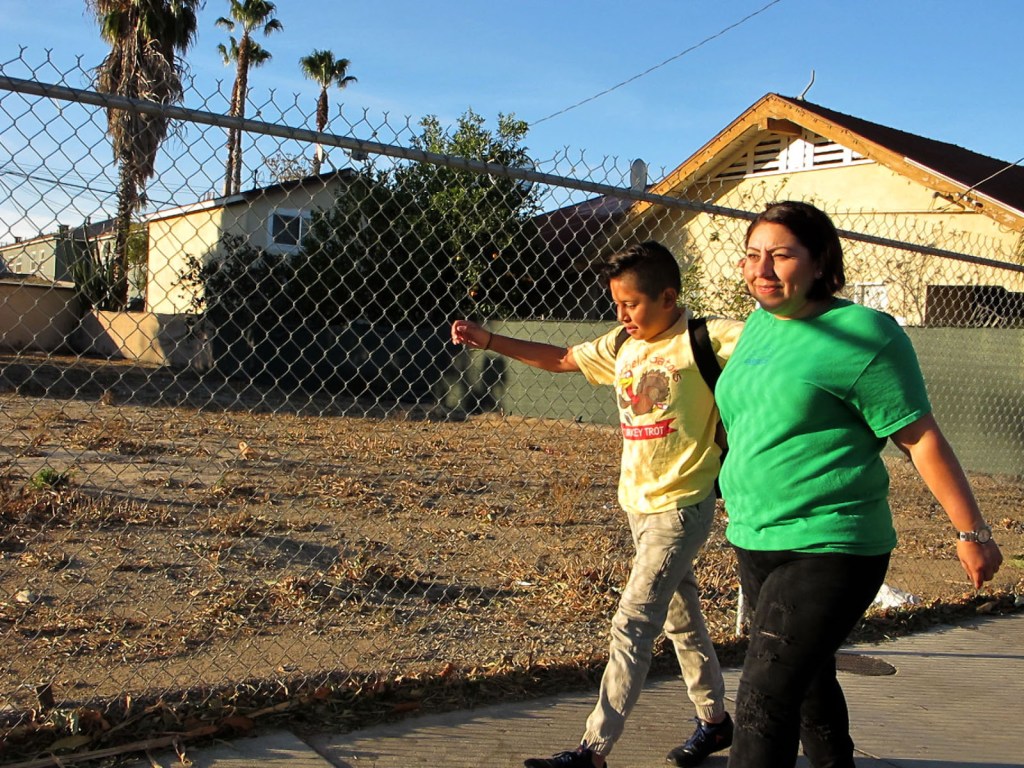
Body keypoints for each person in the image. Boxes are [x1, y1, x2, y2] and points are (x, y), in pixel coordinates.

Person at [715, 200, 1004, 768]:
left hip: (833, 543)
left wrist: (972, 531)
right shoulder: (758, 323)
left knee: (761, 702)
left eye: (781, 256)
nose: (761, 270)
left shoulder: (863, 333)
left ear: (821, 261)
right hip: (756, 535)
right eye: (752, 256)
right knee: (809, 688)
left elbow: (919, 438)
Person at [451, 241, 743, 768]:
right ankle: (715, 722)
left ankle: (593, 750)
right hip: (638, 506)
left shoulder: (706, 338)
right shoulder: (622, 344)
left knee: (632, 622)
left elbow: (779, 343)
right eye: (615, 303)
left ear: (669, 296)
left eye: (631, 303)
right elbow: (562, 358)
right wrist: (490, 339)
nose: (621, 314)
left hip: (681, 508)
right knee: (682, 621)